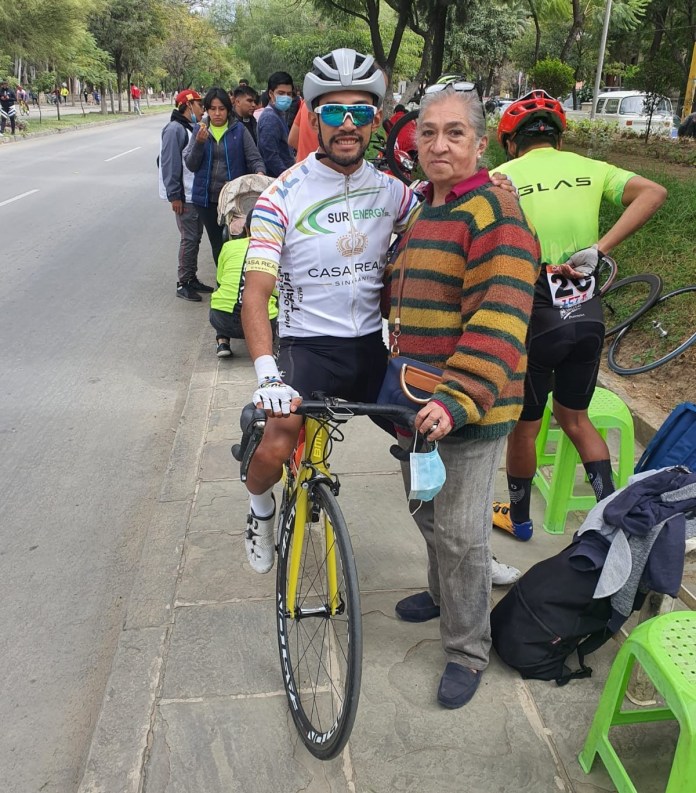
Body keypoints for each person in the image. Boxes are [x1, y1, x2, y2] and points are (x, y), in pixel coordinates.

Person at [385, 86, 539, 709]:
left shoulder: (494, 214)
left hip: (464, 410)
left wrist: (459, 397)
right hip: (414, 403)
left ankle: (468, 648)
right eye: (428, 132)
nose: (439, 144)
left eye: (455, 133)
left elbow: (500, 320)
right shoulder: (426, 207)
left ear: (481, 143)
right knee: (427, 513)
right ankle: (445, 594)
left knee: (460, 533)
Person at [240, 49, 421, 574]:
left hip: (370, 347)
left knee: (431, 440)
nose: (348, 124)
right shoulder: (282, 196)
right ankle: (258, 508)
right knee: (277, 440)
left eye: (361, 112)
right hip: (306, 348)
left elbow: (435, 225)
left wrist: (487, 190)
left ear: (376, 121)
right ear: (312, 117)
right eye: (334, 112)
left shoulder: (394, 193)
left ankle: (457, 553)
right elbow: (256, 293)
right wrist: (266, 374)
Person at [490, 90, 667, 540]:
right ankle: (611, 524)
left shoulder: (500, 177)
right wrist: (598, 249)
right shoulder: (592, 170)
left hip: (535, 314)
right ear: (559, 139)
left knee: (525, 429)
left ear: (512, 142)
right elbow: (654, 192)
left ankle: (520, 518)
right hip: (587, 312)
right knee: (576, 419)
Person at [184, 87, 266, 267]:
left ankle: (237, 280)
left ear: (228, 110)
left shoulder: (239, 131)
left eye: (221, 108)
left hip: (234, 200)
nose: (217, 113)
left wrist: (259, 173)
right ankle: (222, 281)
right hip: (206, 200)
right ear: (207, 110)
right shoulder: (200, 130)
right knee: (217, 244)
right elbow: (191, 164)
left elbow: (254, 158)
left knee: (235, 242)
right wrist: (199, 143)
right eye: (212, 109)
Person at [159, 89, 213, 301]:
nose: (203, 110)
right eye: (200, 105)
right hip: (184, 196)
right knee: (189, 239)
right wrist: (175, 196)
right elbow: (170, 163)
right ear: (188, 105)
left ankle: (191, 278)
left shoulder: (189, 127)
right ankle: (183, 282)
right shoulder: (174, 129)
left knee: (195, 238)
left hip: (194, 194)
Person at [211, 210, 278, 357]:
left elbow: (220, 280)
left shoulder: (228, 246)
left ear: (246, 229)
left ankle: (222, 341)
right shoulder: (274, 251)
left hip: (222, 319)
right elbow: (277, 290)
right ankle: (269, 345)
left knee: (221, 289)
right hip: (261, 322)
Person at [256, 71, 295, 177]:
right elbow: (270, 156)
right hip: (276, 179)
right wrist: (287, 177)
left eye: (289, 94)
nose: (286, 97)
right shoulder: (270, 118)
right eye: (281, 93)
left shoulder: (279, 114)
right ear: (271, 94)